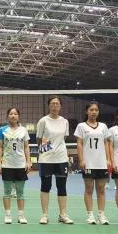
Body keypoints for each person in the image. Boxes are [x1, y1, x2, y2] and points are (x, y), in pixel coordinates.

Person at [36, 96, 74, 225]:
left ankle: (63, 214)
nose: (55, 106)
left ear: (60, 106)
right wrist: (46, 150)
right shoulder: (43, 121)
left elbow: (63, 138)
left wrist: (57, 149)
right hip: (46, 159)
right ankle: (44, 215)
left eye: (57, 104)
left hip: (61, 158)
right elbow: (39, 139)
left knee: (61, 186)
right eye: (52, 103)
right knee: (45, 186)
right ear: (49, 106)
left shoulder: (64, 121)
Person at [75, 102, 113, 225]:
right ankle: (90, 214)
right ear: (87, 111)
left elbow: (106, 143)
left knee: (101, 190)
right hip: (88, 162)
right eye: (91, 110)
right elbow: (79, 143)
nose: (94, 112)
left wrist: (108, 159)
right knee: (89, 189)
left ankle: (101, 214)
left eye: (96, 110)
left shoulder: (103, 126)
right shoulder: (81, 126)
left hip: (101, 162)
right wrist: (81, 159)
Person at [0, 108, 31, 224]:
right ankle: (8, 215)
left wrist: (28, 162)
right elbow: (0, 147)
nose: (13, 116)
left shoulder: (24, 130)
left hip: (20, 164)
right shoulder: (2, 130)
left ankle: (21, 215)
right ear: (7, 116)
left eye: (15, 114)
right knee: (7, 191)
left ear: (18, 116)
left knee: (20, 192)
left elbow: (26, 147)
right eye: (11, 114)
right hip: (7, 164)